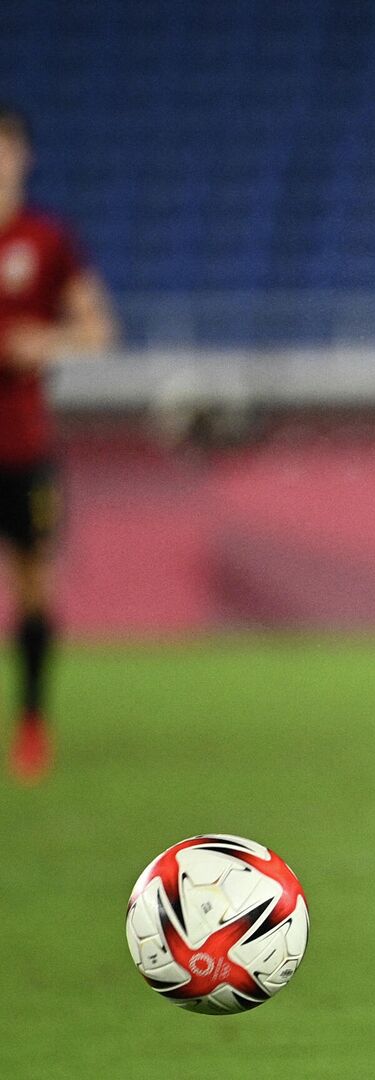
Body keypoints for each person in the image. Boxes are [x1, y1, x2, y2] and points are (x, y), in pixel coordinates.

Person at [0, 104, 118, 784]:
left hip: (22, 448)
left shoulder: (46, 239)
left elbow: (98, 328)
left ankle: (32, 723)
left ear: (24, 159)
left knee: (34, 589)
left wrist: (42, 340)